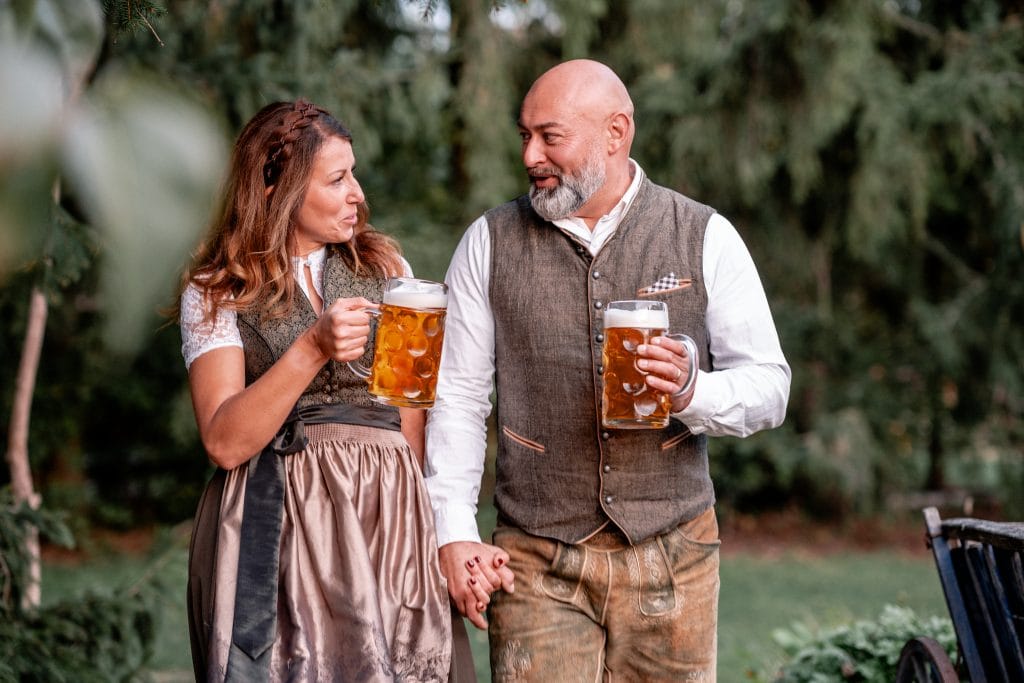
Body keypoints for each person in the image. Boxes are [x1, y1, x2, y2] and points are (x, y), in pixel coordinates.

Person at [424, 59, 791, 681]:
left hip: (675, 554)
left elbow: (769, 387)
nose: (530, 155)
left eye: (550, 136)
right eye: (524, 136)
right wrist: (453, 530)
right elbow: (458, 397)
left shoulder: (705, 234)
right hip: (535, 557)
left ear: (616, 133)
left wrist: (692, 390)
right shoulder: (487, 242)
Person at [177, 99, 470, 682]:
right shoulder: (215, 290)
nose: (358, 193)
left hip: (386, 513)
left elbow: (410, 414)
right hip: (277, 517)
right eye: (337, 180)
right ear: (274, 190)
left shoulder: (387, 268)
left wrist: (418, 521)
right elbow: (225, 442)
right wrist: (310, 348)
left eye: (353, 174)